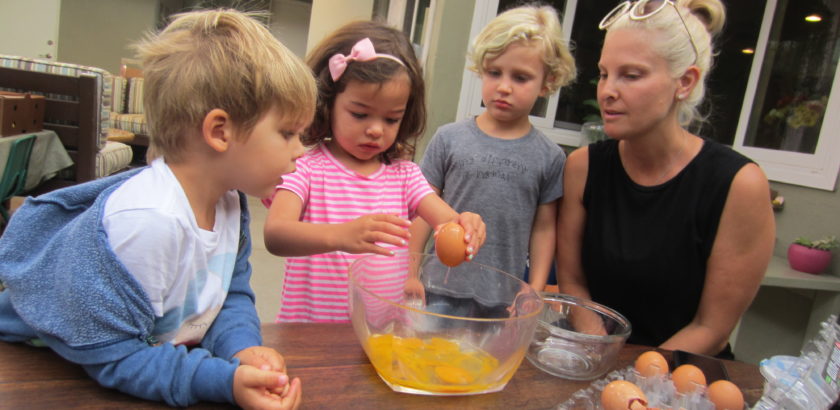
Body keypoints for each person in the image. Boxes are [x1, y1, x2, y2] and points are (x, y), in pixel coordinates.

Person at [0, 9, 315, 408]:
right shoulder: (150, 222)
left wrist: (241, 348)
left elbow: (228, 295)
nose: (300, 150)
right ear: (220, 131)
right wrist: (221, 381)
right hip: (37, 363)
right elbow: (116, 356)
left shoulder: (229, 201)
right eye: (287, 133)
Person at [556, 0, 775, 358]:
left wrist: (633, 377)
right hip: (592, 357)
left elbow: (711, 328)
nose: (607, 90)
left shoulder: (738, 184)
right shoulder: (583, 168)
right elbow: (573, 284)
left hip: (679, 372)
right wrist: (601, 355)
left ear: (685, 82)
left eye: (631, 75)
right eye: (604, 73)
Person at [262, 21, 485, 323]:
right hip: (311, 332)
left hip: (378, 337)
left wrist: (466, 225)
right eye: (360, 114)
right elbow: (276, 234)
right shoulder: (305, 167)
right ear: (328, 103)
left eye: (392, 119)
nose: (376, 130)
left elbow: (447, 222)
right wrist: (340, 235)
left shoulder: (405, 176)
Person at [410, 4, 576, 293]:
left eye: (520, 77)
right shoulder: (449, 138)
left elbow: (544, 227)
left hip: (504, 296)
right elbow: (422, 209)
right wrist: (410, 272)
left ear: (547, 83)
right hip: (437, 288)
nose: (504, 87)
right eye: (494, 72)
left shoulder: (549, 156)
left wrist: (535, 286)